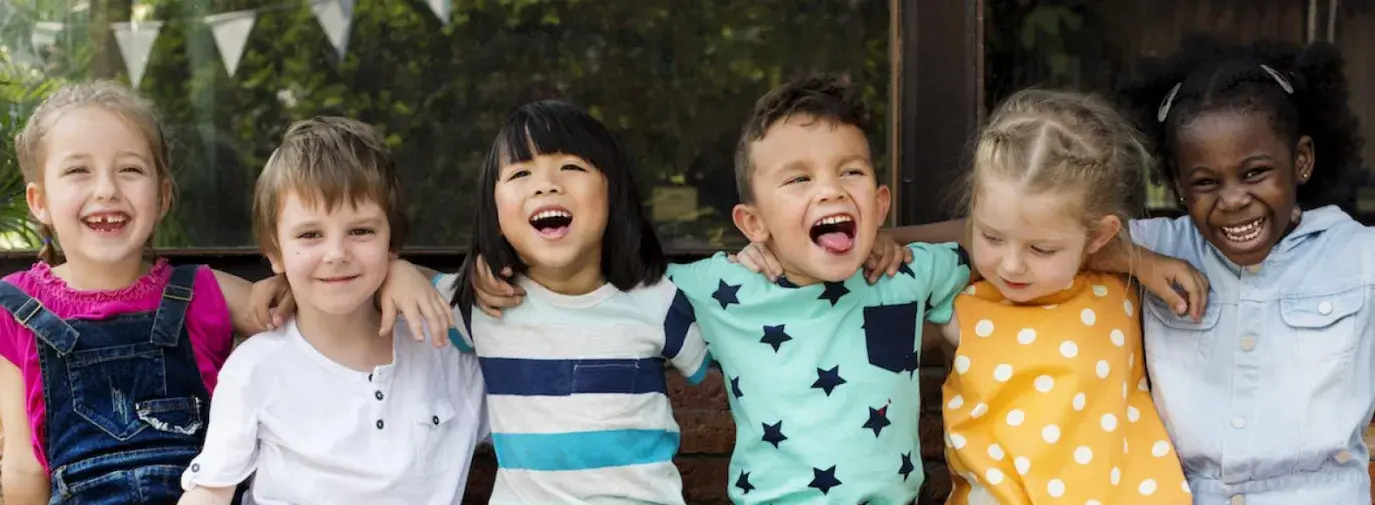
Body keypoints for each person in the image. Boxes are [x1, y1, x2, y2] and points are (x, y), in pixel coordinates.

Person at [469, 76, 1205, 504]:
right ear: (753, 222)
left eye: (849, 172)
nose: (829, 190)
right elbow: (599, 286)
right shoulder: (716, 287)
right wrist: (487, 268)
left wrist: (1136, 262)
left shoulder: (911, 272)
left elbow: (1023, 232)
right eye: (798, 179)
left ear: (880, 203)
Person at [177, 117, 488, 504]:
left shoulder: (446, 353)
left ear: (392, 242)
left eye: (361, 231)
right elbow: (211, 491)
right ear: (275, 251)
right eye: (310, 234)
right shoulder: (255, 368)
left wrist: (404, 272)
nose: (336, 253)